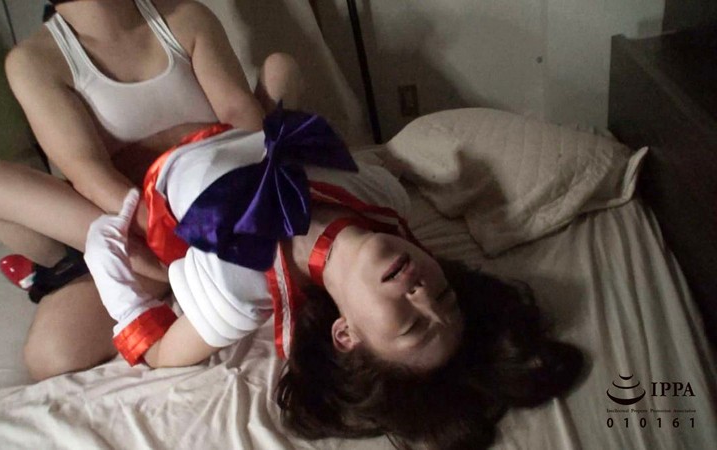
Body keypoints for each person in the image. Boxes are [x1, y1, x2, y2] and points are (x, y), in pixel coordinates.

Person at [84, 107, 585, 449]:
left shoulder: (236, 289)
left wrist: (107, 263)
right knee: (281, 65)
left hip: (141, 187)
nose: (422, 292)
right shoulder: (385, 195)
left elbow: (160, 353)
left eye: (412, 325)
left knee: (40, 170)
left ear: (346, 335)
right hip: (224, 118)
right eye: (445, 296)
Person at [0, 0, 302, 380]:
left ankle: (60, 270)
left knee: (281, 70)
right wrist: (167, 246)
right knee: (49, 356)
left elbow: (243, 122)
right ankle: (59, 268)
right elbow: (90, 173)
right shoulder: (34, 60)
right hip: (138, 233)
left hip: (221, 194)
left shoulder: (186, 18)